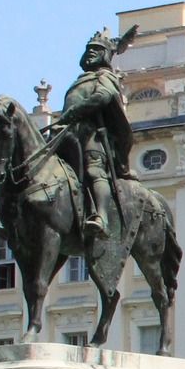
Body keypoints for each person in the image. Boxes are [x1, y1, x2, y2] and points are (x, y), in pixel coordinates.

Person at [51, 26, 137, 241]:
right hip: (68, 134)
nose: (91, 53)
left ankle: (101, 217)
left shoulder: (105, 77)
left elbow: (103, 97)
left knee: (93, 170)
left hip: (92, 136)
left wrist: (75, 111)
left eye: (96, 50)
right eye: (89, 50)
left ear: (105, 55)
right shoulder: (79, 80)